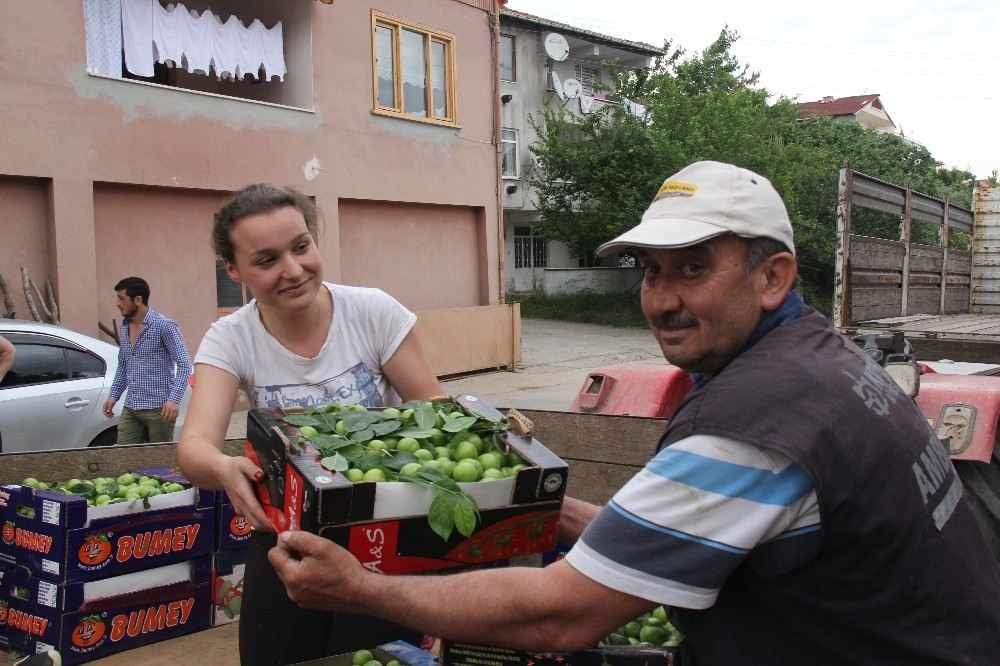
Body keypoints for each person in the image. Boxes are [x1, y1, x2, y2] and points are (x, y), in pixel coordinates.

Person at [267, 161, 1000, 665]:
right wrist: (545, 513)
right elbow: (691, 537)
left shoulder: (757, 426)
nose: (661, 298)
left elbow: (560, 613)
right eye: (651, 271)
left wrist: (358, 589)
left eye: (693, 268)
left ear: (773, 276)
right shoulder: (821, 361)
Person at [177, 184, 445, 666]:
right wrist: (221, 467)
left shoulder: (372, 313)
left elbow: (435, 412)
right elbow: (194, 446)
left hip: (383, 525)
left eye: (301, 247)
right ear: (234, 270)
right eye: (266, 260)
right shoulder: (230, 338)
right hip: (287, 529)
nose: (293, 270)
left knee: (370, 655)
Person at [102, 276, 192, 443]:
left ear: (138, 300)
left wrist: (174, 399)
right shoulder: (124, 326)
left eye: (122, 298)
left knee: (158, 463)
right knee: (123, 455)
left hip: (159, 408)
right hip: (132, 406)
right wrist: (114, 395)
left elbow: (185, 364)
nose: (117, 303)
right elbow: (124, 363)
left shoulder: (164, 326)